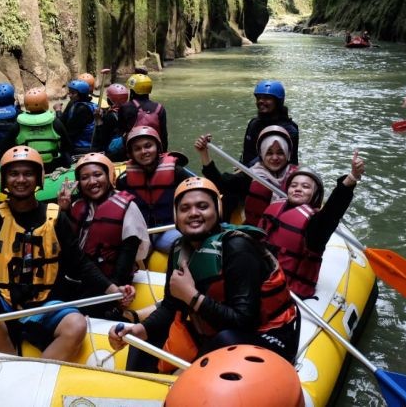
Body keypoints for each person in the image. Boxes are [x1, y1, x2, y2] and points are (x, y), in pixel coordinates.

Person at [0, 146, 134, 361]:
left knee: (76, 325)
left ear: (39, 178)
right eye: (14, 174)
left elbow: (79, 263)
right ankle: (9, 358)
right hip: (3, 303)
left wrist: (113, 289)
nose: (21, 179)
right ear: (4, 179)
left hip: (45, 304)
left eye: (28, 173)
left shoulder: (56, 219)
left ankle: (36, 371)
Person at [108, 177, 299, 372]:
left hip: (267, 335)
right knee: (144, 340)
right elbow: (170, 307)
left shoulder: (238, 248)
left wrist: (192, 296)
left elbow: (244, 322)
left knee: (224, 340)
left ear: (217, 210)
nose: (193, 213)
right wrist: (141, 329)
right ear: (176, 215)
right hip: (216, 329)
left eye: (202, 206)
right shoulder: (179, 248)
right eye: (185, 209)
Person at [259, 151, 365, 298]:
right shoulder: (274, 210)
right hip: (260, 280)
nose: (297, 188)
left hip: (290, 292)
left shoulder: (315, 227)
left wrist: (350, 179)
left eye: (305, 187)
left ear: (315, 195)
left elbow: (332, 213)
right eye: (293, 185)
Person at [57, 152, 149, 313]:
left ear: (109, 176)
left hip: (110, 280)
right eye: (85, 177)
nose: (92, 182)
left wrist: (113, 291)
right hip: (77, 278)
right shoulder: (76, 206)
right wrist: (63, 211)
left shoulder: (128, 207)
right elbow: (65, 246)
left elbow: (128, 255)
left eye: (97, 175)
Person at [196, 126, 299, 226]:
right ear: (262, 154)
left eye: (280, 153)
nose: (275, 157)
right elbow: (220, 183)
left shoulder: (298, 177)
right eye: (269, 153)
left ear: (287, 154)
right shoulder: (250, 176)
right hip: (256, 232)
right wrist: (204, 153)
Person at [115, 125, 195, 252]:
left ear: (157, 147)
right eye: (137, 149)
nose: (143, 151)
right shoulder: (123, 180)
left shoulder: (177, 172)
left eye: (148, 146)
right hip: (139, 233)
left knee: (183, 245)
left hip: (169, 229)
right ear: (131, 154)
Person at [0, 87, 72, 172]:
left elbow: (2, 150)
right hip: (51, 166)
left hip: (27, 167)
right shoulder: (55, 122)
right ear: (45, 103)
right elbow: (67, 146)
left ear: (26, 104)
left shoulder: (18, 125)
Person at [242, 80, 299, 167]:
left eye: (266, 98)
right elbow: (247, 153)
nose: (261, 101)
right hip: (249, 171)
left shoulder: (289, 129)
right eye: (258, 98)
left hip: (275, 173)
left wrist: (246, 170)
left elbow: (287, 160)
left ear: (278, 102)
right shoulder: (253, 124)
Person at [126, 73, 168, 151]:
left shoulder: (126, 107)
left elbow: (120, 131)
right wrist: (164, 152)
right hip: (155, 148)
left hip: (133, 149)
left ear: (132, 91)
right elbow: (163, 135)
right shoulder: (160, 108)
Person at [58, 79, 98, 157]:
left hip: (83, 145)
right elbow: (63, 121)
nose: (69, 95)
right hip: (79, 142)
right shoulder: (74, 103)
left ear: (81, 94)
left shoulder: (82, 109)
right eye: (69, 92)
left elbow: (70, 132)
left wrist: (58, 111)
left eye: (73, 93)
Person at [91, 83, 130, 161]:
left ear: (109, 100)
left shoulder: (110, 116)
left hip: (113, 152)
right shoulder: (131, 110)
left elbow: (101, 139)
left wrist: (98, 120)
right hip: (127, 149)